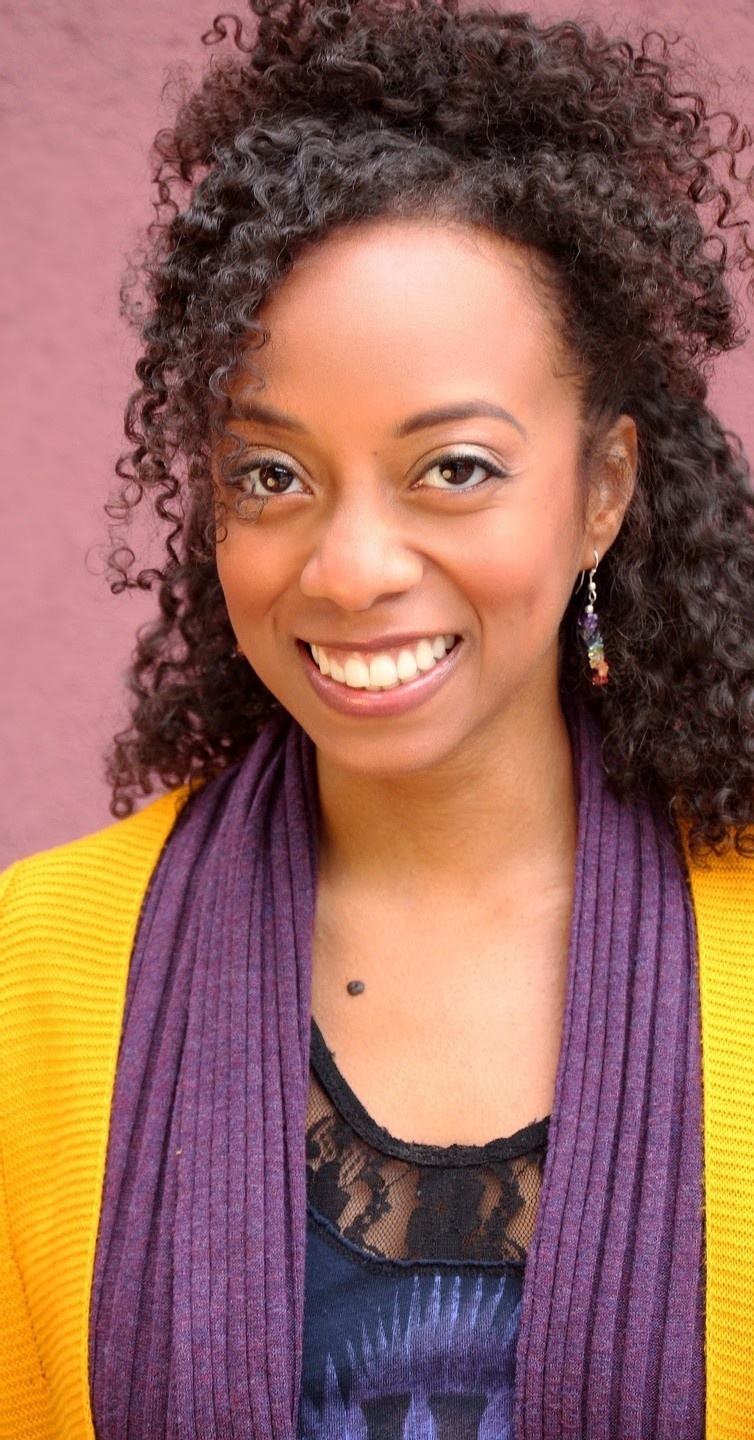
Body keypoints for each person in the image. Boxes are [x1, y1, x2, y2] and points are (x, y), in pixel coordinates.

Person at [2, 0, 754, 1436]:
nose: (348, 570)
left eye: (453, 468)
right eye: (272, 475)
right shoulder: (31, 978)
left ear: (601, 491)